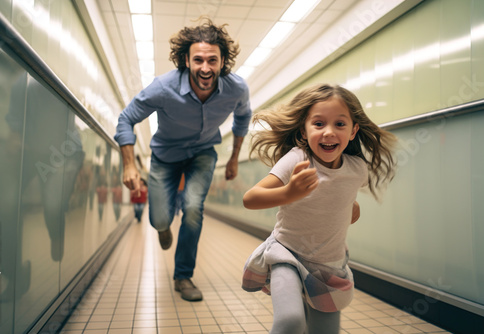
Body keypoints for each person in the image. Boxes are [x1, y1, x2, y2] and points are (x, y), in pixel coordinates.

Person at [114, 17, 252, 302]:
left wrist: (235, 158)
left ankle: (183, 276)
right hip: (165, 156)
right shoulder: (163, 88)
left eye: (212, 60)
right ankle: (163, 227)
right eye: (198, 60)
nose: (205, 67)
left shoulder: (236, 89)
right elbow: (126, 119)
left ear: (223, 61)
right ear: (186, 61)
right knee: (159, 217)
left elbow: (243, 118)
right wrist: (129, 163)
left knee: (192, 208)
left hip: (203, 154)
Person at [241, 84, 396, 333]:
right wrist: (289, 193)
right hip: (287, 255)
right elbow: (251, 198)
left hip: (329, 265)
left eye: (340, 124)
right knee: (290, 321)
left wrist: (351, 209)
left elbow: (342, 199)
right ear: (304, 130)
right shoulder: (297, 158)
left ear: (354, 130)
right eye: (319, 124)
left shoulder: (357, 169)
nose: (329, 132)